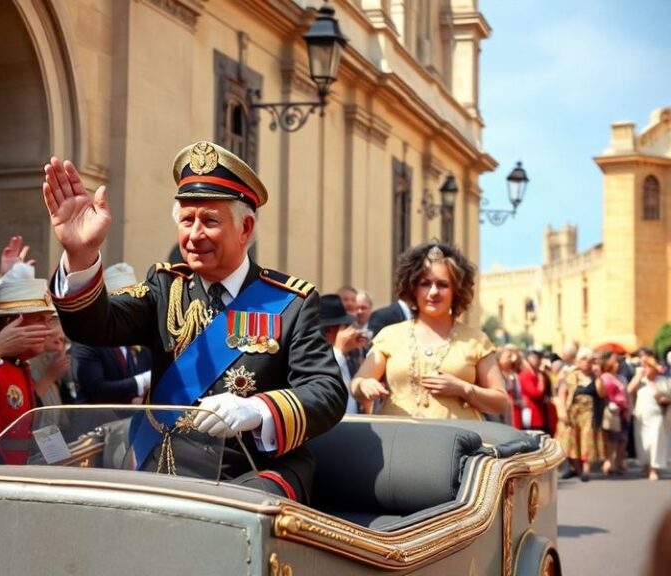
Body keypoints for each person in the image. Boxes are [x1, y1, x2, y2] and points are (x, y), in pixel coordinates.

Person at [41, 141, 347, 502]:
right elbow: (93, 326)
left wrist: (256, 408)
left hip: (248, 473)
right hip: (163, 466)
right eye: (187, 220)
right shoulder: (165, 287)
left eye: (210, 221)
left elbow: (327, 391)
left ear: (245, 228)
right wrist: (81, 254)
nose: (194, 235)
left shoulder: (289, 303)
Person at [350, 242, 508, 419]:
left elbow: (501, 402)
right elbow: (357, 383)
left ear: (456, 291)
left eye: (442, 285)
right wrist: (365, 386)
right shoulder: (390, 335)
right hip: (396, 439)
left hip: (456, 442)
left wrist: (463, 389)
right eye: (425, 284)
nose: (433, 292)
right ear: (413, 289)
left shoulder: (476, 340)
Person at [0, 263, 55, 445]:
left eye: (48, 320)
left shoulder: (20, 365)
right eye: (39, 320)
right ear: (11, 322)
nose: (48, 330)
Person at [69, 262, 152, 404]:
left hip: (124, 423)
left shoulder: (131, 338)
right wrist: (145, 379)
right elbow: (96, 389)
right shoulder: (87, 340)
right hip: (94, 424)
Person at [559, 347, 604, 482]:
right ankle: (574, 467)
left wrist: (599, 376)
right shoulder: (570, 375)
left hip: (589, 414)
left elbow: (602, 394)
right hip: (573, 413)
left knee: (586, 440)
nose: (587, 363)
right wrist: (562, 411)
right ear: (578, 361)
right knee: (570, 440)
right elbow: (562, 394)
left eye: (590, 360)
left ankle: (585, 470)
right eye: (584, 359)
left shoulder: (595, 377)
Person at [627, 355, 670, 481]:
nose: (645, 369)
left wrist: (658, 393)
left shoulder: (663, 381)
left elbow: (668, 398)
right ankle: (646, 465)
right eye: (644, 366)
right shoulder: (640, 380)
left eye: (648, 366)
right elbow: (629, 390)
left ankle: (653, 468)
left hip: (657, 415)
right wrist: (638, 377)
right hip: (641, 415)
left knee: (655, 441)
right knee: (643, 443)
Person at [319, 294, 363, 413]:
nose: (350, 330)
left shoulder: (351, 355)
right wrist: (338, 350)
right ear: (329, 330)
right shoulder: (311, 356)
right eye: (345, 326)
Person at [597, 351, 629, 475]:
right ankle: (609, 462)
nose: (617, 364)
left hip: (623, 411)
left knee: (622, 439)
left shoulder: (621, 377)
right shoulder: (605, 377)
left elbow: (626, 394)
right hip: (612, 412)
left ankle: (619, 461)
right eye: (615, 361)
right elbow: (604, 395)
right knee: (612, 439)